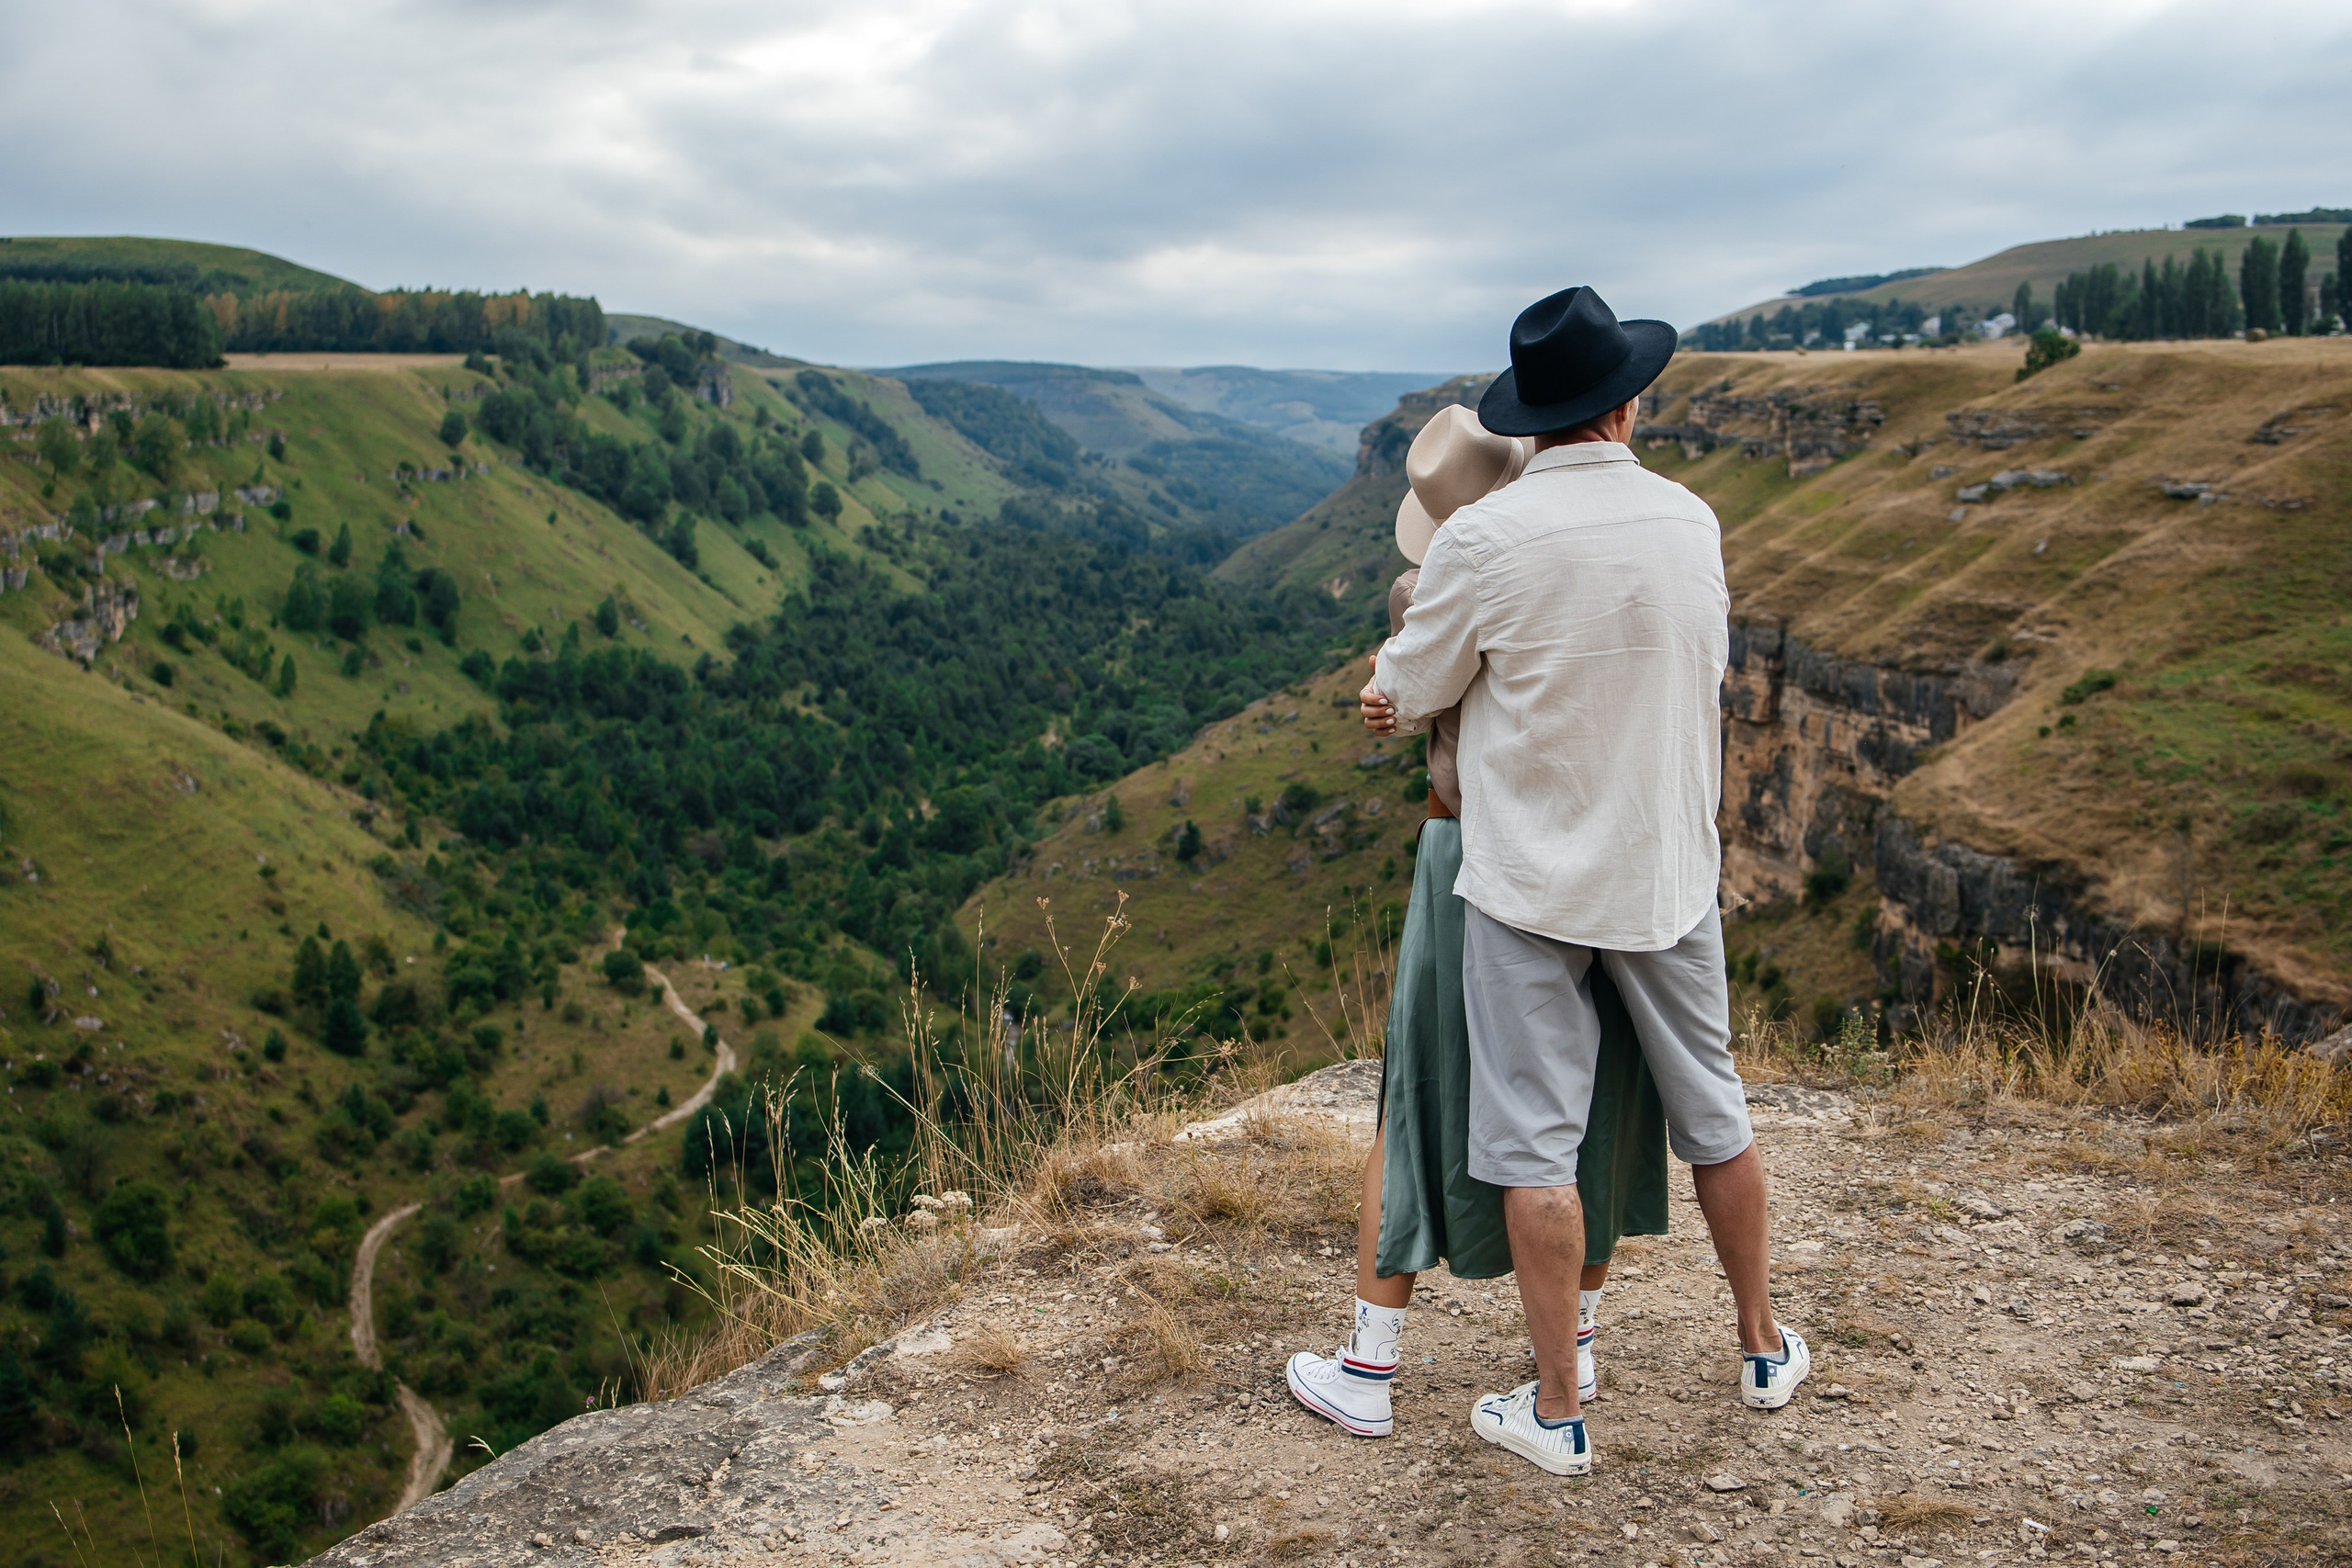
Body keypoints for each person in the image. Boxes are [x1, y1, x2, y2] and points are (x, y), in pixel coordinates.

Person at [1360, 286, 1807, 1478]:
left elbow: (1409, 687)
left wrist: (1391, 694)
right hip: (1664, 868)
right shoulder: (1691, 521)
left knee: (1534, 1146)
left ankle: (1557, 1408)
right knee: (1714, 1110)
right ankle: (1763, 1346)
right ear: (1626, 401)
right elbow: (1701, 666)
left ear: (1533, 415)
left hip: (1527, 882)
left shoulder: (1480, 540)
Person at [1284, 406, 1672, 1442]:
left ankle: (1370, 1364)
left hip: (1477, 858)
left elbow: (1400, 699)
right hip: (1607, 851)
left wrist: (1385, 692)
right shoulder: (1604, 555)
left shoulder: (1432, 584)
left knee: (1415, 1098)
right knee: (1589, 1099)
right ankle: (1574, 1352)